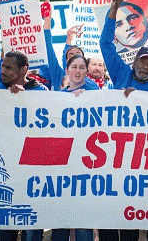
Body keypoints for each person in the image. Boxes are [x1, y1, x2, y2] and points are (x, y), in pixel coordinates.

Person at [99, 0, 148, 241]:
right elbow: (105, 44)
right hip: (111, 154)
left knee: (129, 223)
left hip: (137, 162)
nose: (145, 67)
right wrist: (113, 10)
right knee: (107, 216)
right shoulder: (121, 75)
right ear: (134, 61)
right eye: (142, 62)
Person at [0, 50, 47, 241]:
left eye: (8, 68)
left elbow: (45, 131)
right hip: (2, 174)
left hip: (30, 174)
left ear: (24, 70)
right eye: (2, 66)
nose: (2, 71)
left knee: (31, 233)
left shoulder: (40, 92)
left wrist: (26, 101)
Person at [50, 55, 97, 241]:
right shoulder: (56, 97)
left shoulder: (96, 94)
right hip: (61, 163)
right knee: (60, 218)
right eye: (74, 67)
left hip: (86, 164)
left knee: (82, 218)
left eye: (82, 67)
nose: (78, 71)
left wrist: (87, 100)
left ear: (87, 71)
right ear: (67, 70)